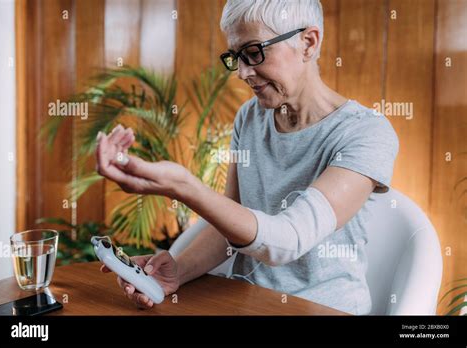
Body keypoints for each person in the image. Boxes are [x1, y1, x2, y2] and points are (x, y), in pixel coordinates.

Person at [96, 0, 399, 315]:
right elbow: (231, 224)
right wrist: (179, 270)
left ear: (308, 43)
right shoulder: (251, 117)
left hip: (324, 309)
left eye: (254, 52)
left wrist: (183, 186)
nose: (242, 73)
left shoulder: (367, 133)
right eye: (236, 57)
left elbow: (289, 240)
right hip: (246, 302)